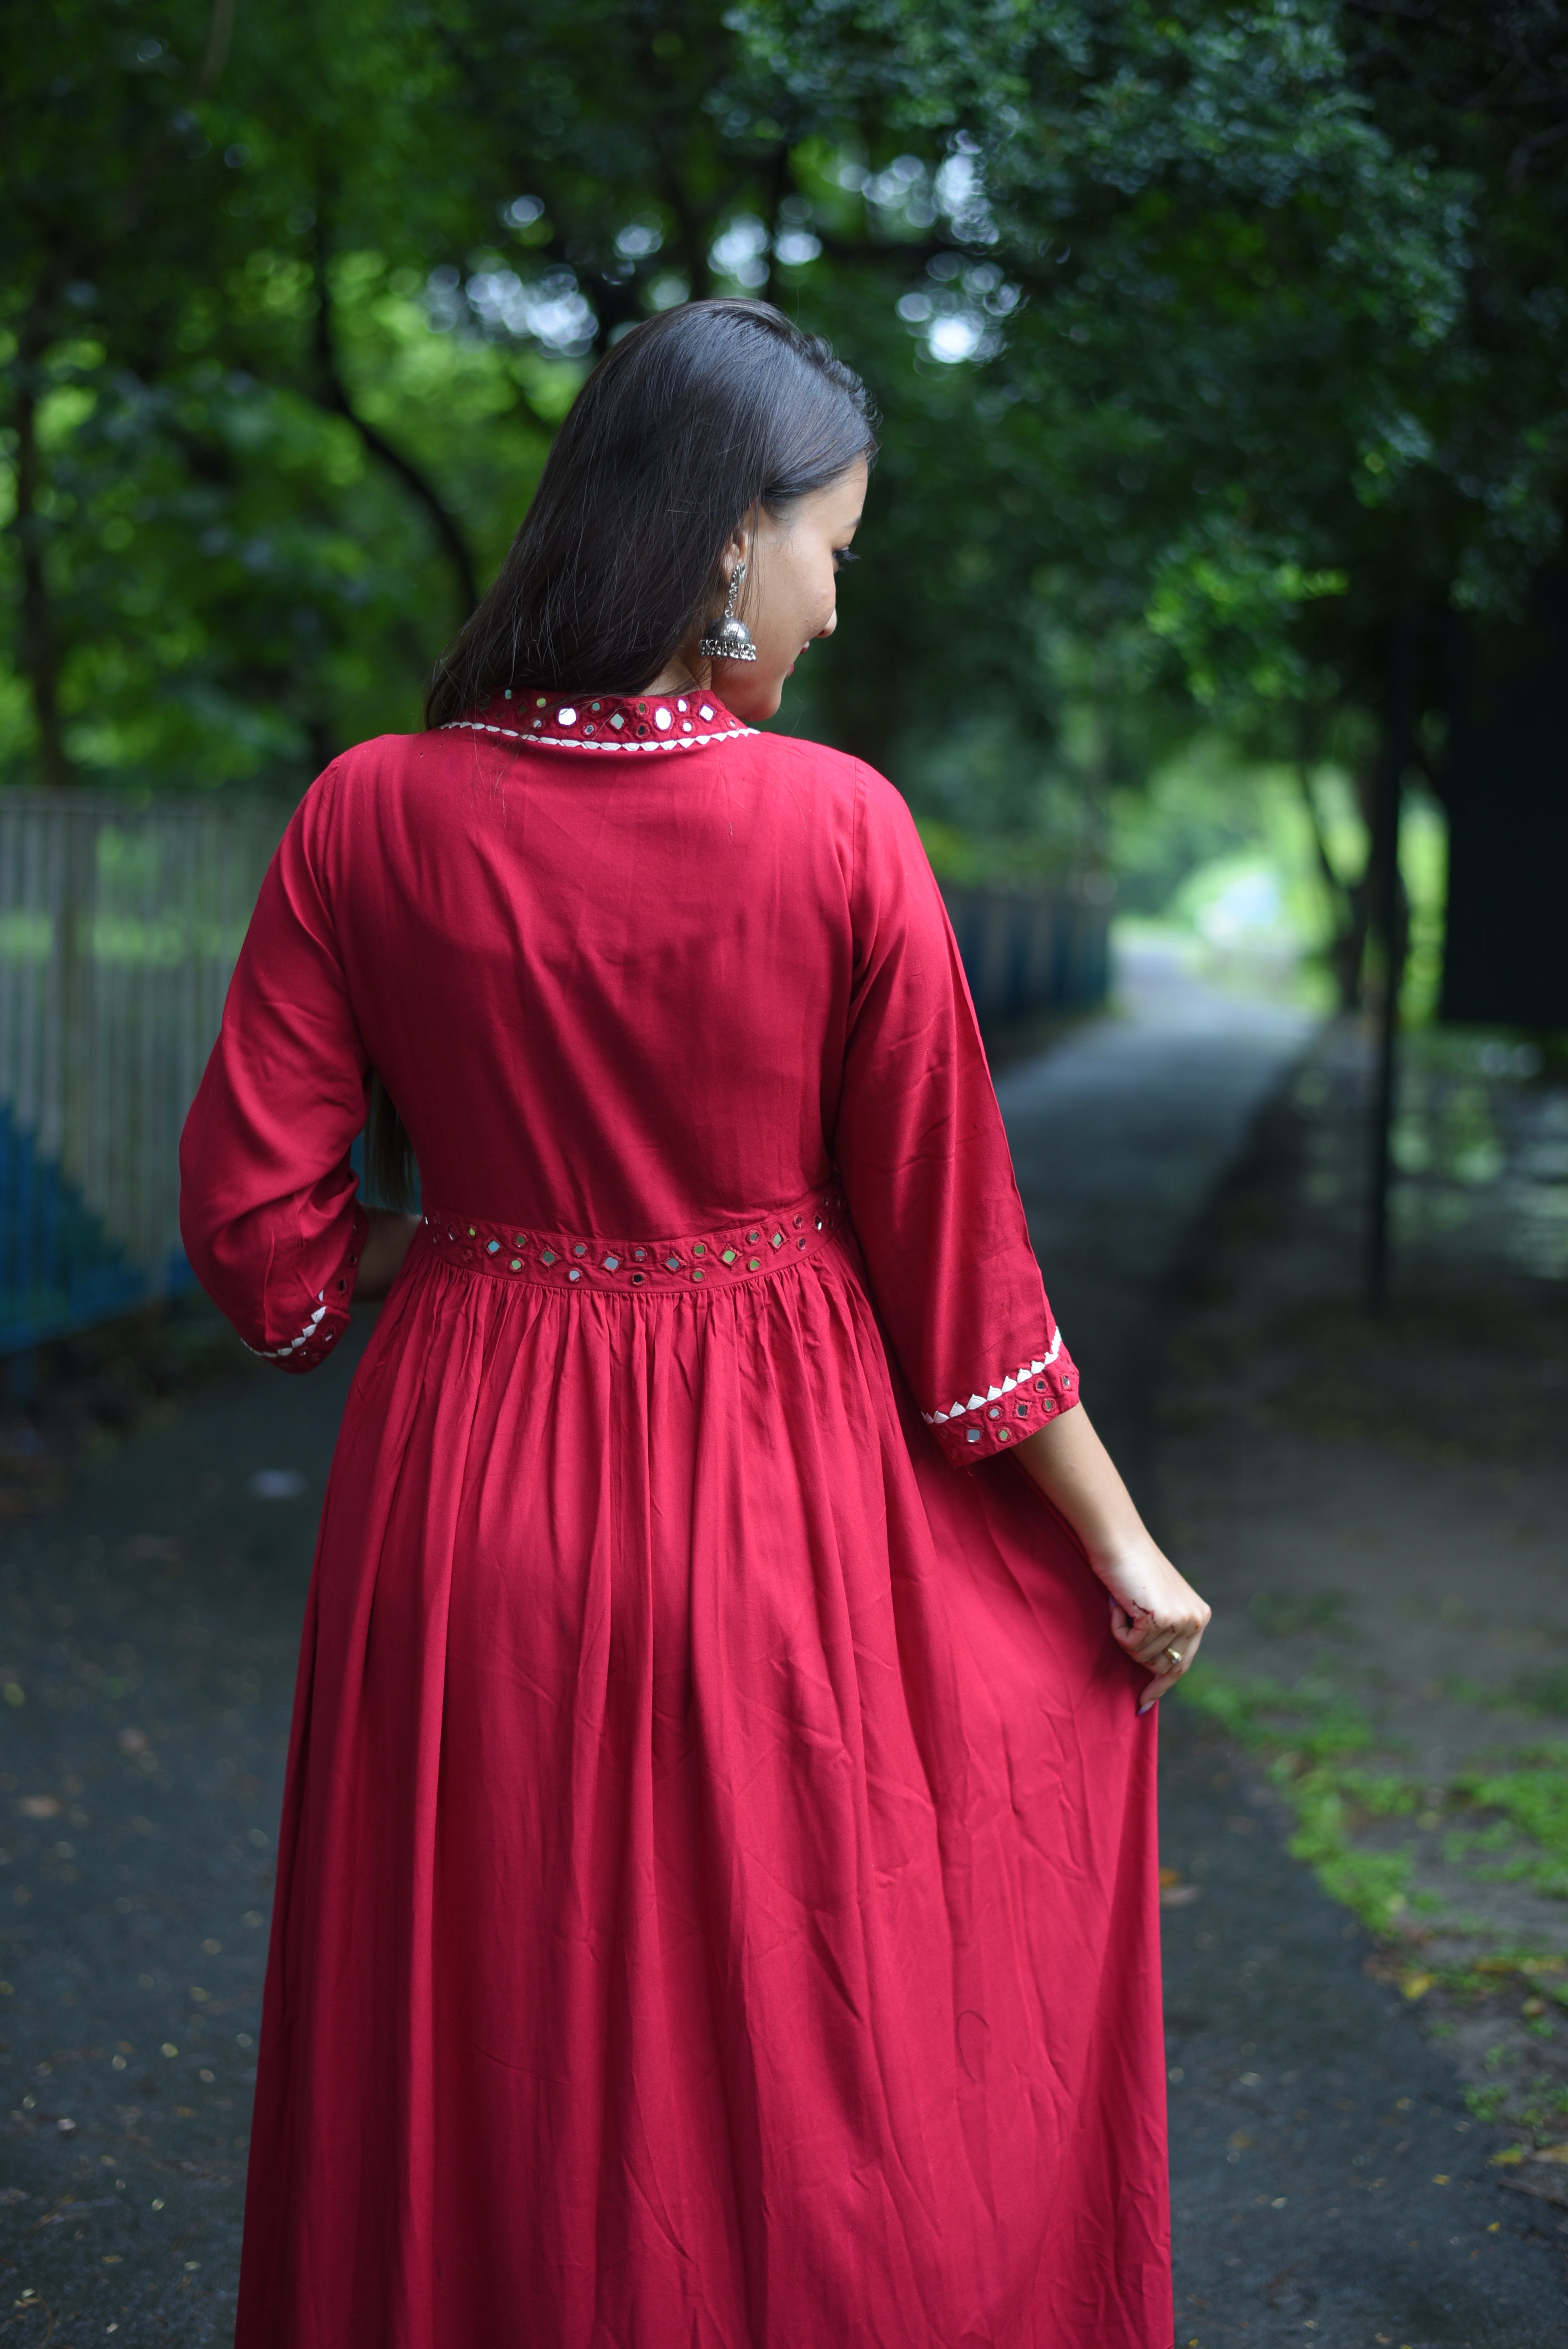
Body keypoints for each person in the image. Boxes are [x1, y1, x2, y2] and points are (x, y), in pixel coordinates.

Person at [180, 298, 1209, 2349]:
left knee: (480, 2020)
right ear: (735, 536)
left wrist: (458, 1254)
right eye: (834, 543)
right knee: (786, 2044)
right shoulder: (840, 831)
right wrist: (1119, 1548)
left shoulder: (367, 813)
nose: (835, 598)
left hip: (459, 1492)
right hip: (776, 1501)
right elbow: (962, 1281)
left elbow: (256, 1234)